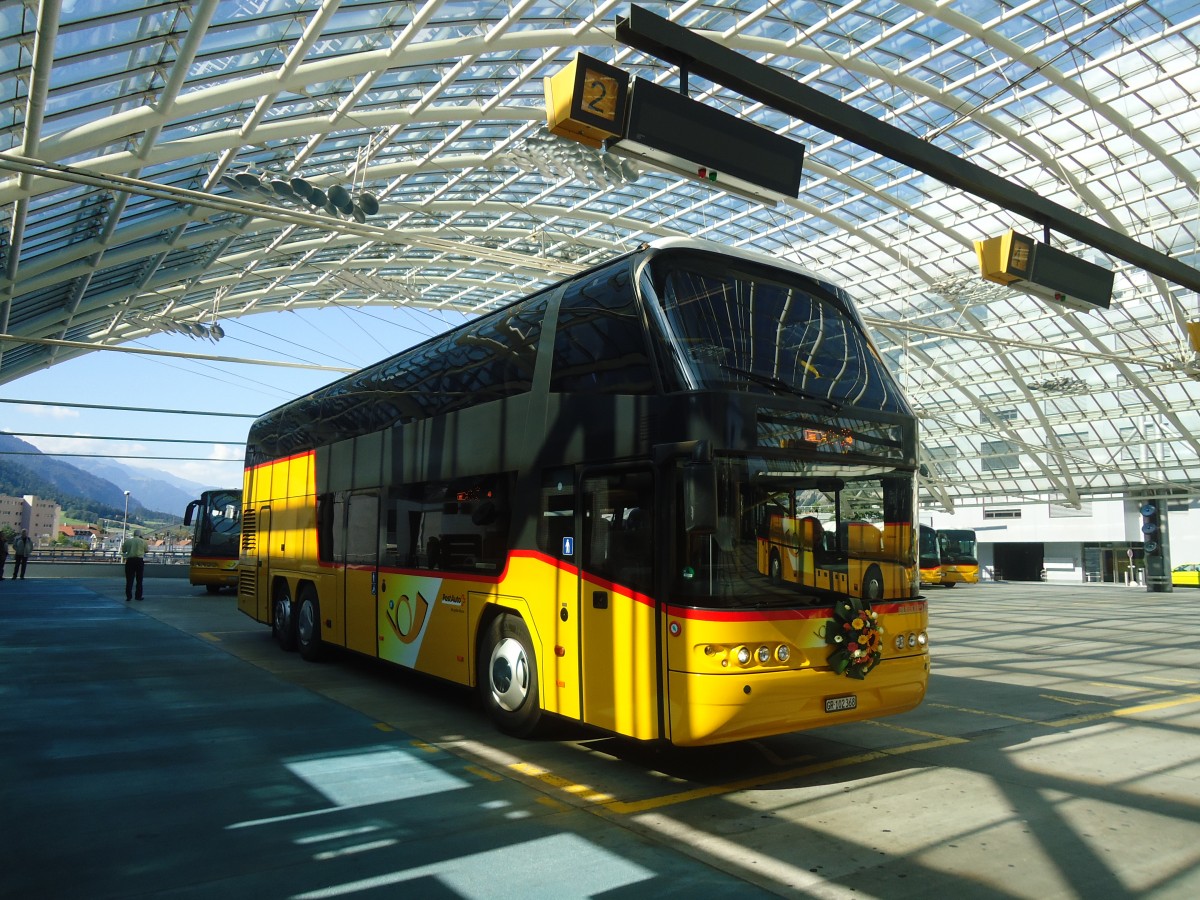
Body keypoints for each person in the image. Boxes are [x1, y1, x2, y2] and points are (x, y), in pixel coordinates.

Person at [121, 530, 148, 601]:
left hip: (130, 561)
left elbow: (123, 550)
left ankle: (129, 596)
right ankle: (138, 596)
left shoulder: (128, 541)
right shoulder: (143, 541)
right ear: (140, 534)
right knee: (139, 580)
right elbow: (146, 550)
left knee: (129, 579)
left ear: (133, 534)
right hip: (139, 561)